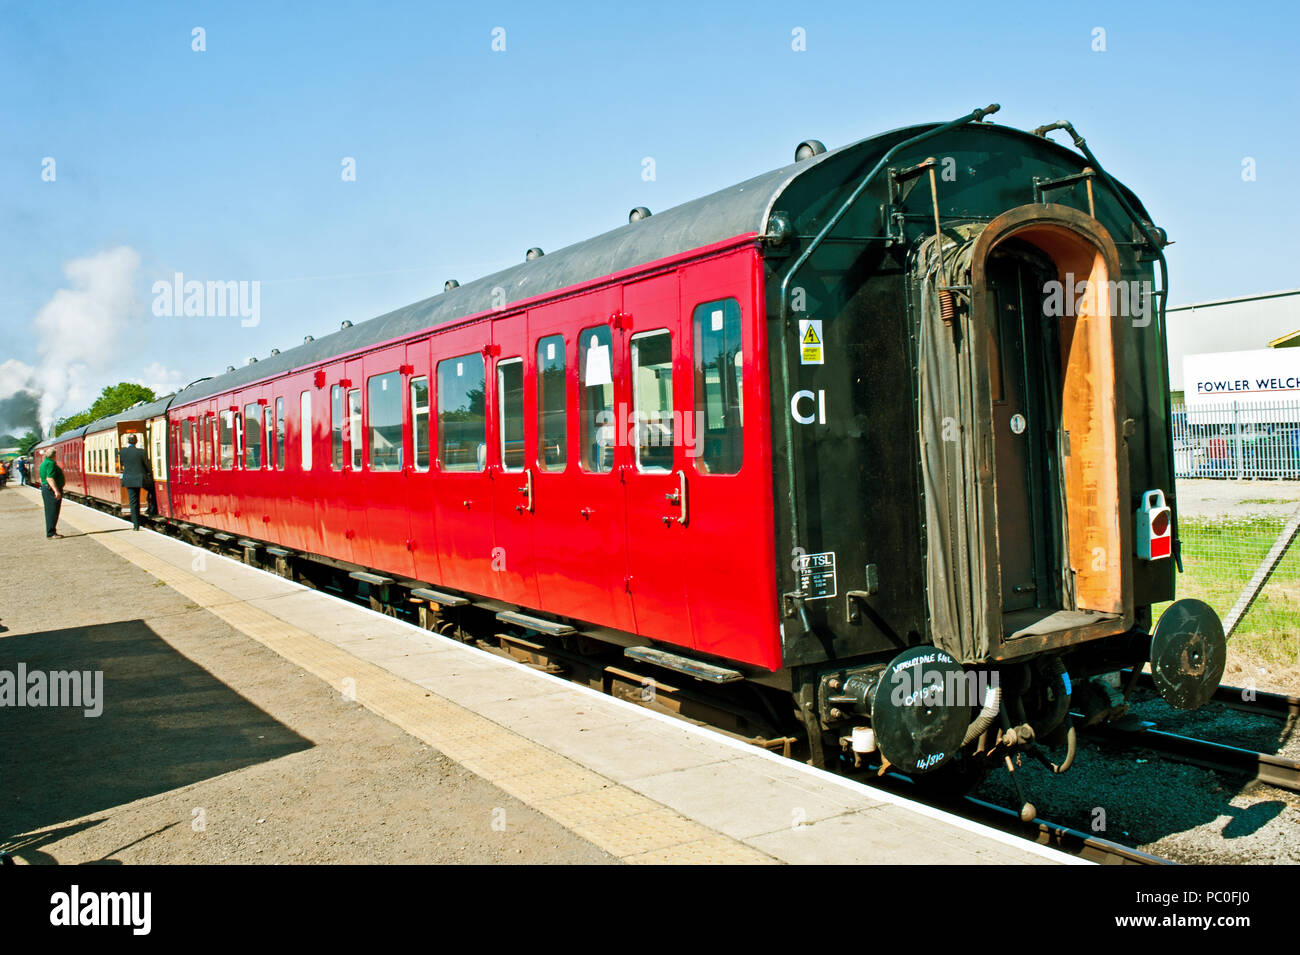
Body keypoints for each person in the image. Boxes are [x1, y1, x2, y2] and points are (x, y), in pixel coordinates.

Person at [118, 434, 152, 531]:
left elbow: (122, 464)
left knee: (133, 502)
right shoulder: (141, 452)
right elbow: (147, 466)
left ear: (128, 441)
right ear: (136, 441)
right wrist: (150, 474)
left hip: (129, 479)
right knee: (151, 490)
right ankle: (151, 508)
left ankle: (136, 525)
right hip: (140, 479)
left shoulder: (123, 452)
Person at [39, 450, 64, 538]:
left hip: (46, 489)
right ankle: (51, 533)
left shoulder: (44, 463)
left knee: (50, 511)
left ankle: (51, 532)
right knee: (53, 511)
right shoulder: (50, 463)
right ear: (54, 455)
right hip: (50, 490)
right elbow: (49, 478)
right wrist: (56, 491)